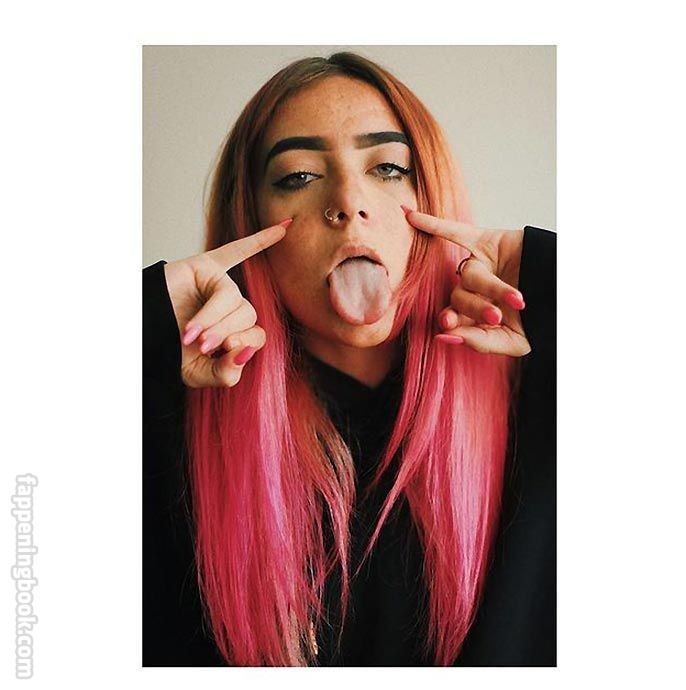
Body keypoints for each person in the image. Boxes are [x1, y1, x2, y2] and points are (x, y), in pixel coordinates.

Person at [143, 51, 556, 667]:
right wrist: (146, 316)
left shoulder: (546, 391)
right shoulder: (161, 413)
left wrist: (549, 274)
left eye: (387, 168)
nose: (348, 201)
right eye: (299, 177)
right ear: (248, 220)